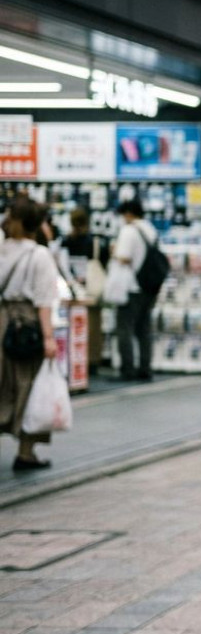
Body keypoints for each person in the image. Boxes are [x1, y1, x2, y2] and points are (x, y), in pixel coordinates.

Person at [0, 197, 60, 470]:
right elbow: (44, 301)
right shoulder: (39, 255)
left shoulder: (2, 248)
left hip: (2, 320)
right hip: (25, 327)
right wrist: (48, 338)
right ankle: (25, 451)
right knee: (27, 385)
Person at [105, 198, 159, 382]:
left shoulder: (129, 230)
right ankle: (145, 368)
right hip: (148, 286)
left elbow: (124, 257)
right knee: (144, 329)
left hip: (131, 286)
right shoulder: (149, 229)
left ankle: (127, 369)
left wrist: (114, 252)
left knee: (124, 328)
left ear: (128, 213)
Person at [59, 206, 109, 299]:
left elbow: (63, 264)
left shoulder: (66, 241)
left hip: (71, 288)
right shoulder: (94, 241)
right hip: (92, 287)